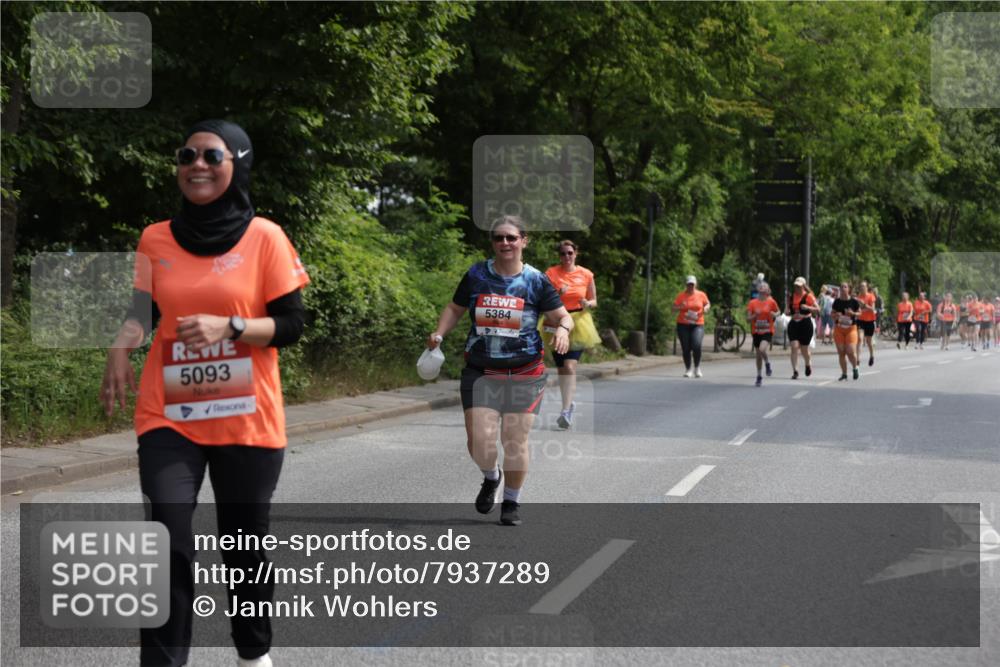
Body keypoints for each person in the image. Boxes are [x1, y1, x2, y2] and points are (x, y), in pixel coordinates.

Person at [101, 120, 309, 667]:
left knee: (243, 545)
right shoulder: (155, 237)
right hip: (169, 413)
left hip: (247, 415)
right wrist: (121, 346)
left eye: (211, 155)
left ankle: (253, 653)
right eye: (186, 154)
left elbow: (291, 324)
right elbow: (143, 310)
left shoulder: (265, 235)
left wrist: (232, 327)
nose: (196, 163)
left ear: (236, 162)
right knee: (166, 537)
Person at [427, 215, 571, 527]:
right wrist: (440, 333)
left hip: (525, 371)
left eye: (511, 238)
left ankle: (511, 502)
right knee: (479, 441)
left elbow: (563, 316)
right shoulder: (477, 274)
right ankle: (491, 478)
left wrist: (563, 330)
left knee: (514, 439)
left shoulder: (535, 280)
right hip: (481, 370)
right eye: (498, 238)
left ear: (524, 240)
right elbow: (455, 308)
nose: (504, 243)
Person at [544, 240, 601, 429]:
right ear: (559, 255)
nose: (566, 257)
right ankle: (567, 405)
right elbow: (543, 298)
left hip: (578, 322)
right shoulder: (551, 273)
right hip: (555, 321)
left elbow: (594, 301)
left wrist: (588, 303)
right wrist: (557, 292)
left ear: (576, 253)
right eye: (562, 253)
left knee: (569, 366)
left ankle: (566, 410)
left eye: (569, 253)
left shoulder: (586, 274)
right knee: (561, 368)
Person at [672, 275, 711, 378]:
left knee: (696, 345)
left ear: (695, 285)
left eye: (692, 285)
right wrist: (680, 307)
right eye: (689, 284)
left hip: (697, 324)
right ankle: (688, 369)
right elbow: (673, 308)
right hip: (683, 324)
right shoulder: (681, 296)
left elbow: (707, 304)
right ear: (686, 285)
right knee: (686, 348)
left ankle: (697, 368)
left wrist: (706, 308)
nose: (691, 286)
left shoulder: (701, 295)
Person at [746, 281, 780, 387]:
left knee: (761, 349)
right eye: (760, 286)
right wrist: (754, 316)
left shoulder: (771, 302)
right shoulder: (752, 303)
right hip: (756, 331)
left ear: (767, 290)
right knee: (758, 355)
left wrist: (774, 314)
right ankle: (759, 375)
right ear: (758, 290)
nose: (762, 287)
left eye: (764, 286)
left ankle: (767, 364)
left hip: (767, 330)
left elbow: (778, 312)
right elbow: (747, 319)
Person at [786, 277, 818, 379]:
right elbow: (787, 309)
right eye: (796, 286)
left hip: (806, 324)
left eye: (799, 286)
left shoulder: (809, 296)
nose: (797, 288)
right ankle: (795, 371)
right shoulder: (791, 296)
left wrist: (808, 308)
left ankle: (807, 364)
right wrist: (787, 311)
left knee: (804, 349)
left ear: (803, 286)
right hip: (794, 324)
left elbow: (818, 309)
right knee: (794, 347)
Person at [831, 281, 862, 381]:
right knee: (841, 352)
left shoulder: (854, 302)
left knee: (850, 351)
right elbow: (832, 314)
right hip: (839, 328)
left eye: (845, 287)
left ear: (849, 289)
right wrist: (836, 315)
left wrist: (852, 313)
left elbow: (860, 313)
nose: (843, 288)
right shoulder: (837, 302)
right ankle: (844, 374)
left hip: (851, 329)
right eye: (841, 287)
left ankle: (855, 368)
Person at [855, 281, 878, 366]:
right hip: (861, 320)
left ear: (867, 288)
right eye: (861, 287)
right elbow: (858, 309)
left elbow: (872, 309)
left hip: (870, 320)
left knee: (868, 341)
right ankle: (858, 358)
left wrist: (864, 305)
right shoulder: (858, 297)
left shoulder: (871, 296)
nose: (862, 288)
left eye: (863, 286)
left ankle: (871, 355)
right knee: (860, 339)